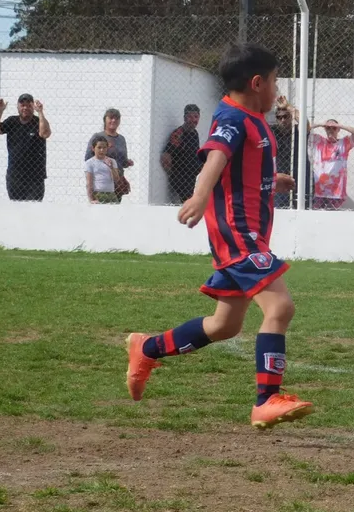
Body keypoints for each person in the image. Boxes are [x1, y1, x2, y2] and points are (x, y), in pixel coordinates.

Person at [125, 43, 313, 430]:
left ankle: (146, 348)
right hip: (238, 233)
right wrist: (198, 195)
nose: (278, 91)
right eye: (275, 81)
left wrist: (268, 181)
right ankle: (266, 400)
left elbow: (239, 166)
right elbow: (216, 159)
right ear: (256, 82)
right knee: (280, 309)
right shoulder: (231, 117)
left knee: (225, 325)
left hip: (248, 233)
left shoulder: (252, 117)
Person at [0, 94, 52, 201]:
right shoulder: (12, 122)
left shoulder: (38, 122)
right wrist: (0, 111)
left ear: (33, 107)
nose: (25, 108)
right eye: (22, 105)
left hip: (35, 177)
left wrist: (40, 112)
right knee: (16, 210)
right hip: (15, 176)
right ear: (17, 106)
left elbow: (45, 134)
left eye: (28, 105)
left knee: (33, 209)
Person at [310, 118, 354, 210]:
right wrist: (321, 124)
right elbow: (303, 130)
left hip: (336, 191)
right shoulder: (318, 141)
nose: (331, 130)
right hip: (319, 190)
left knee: (333, 216)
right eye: (328, 128)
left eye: (334, 128)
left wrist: (340, 126)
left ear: (338, 130)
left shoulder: (344, 143)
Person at [85, 108, 133, 201]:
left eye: (116, 118)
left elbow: (123, 162)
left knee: (115, 209)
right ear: (105, 120)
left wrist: (127, 162)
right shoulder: (98, 136)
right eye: (111, 118)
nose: (113, 120)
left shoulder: (121, 139)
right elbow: (88, 158)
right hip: (102, 181)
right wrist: (104, 153)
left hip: (117, 179)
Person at [161, 104, 202, 204]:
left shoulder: (195, 133)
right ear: (184, 118)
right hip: (182, 179)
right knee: (188, 204)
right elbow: (166, 156)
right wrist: (175, 176)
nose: (193, 120)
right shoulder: (178, 134)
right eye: (190, 116)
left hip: (193, 178)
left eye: (196, 117)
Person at [83, 136, 121, 204]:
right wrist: (91, 199)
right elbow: (89, 183)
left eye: (104, 148)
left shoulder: (112, 161)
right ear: (93, 148)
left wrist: (111, 167)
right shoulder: (89, 163)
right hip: (98, 194)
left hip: (111, 194)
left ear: (107, 148)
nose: (102, 150)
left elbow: (116, 179)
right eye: (99, 147)